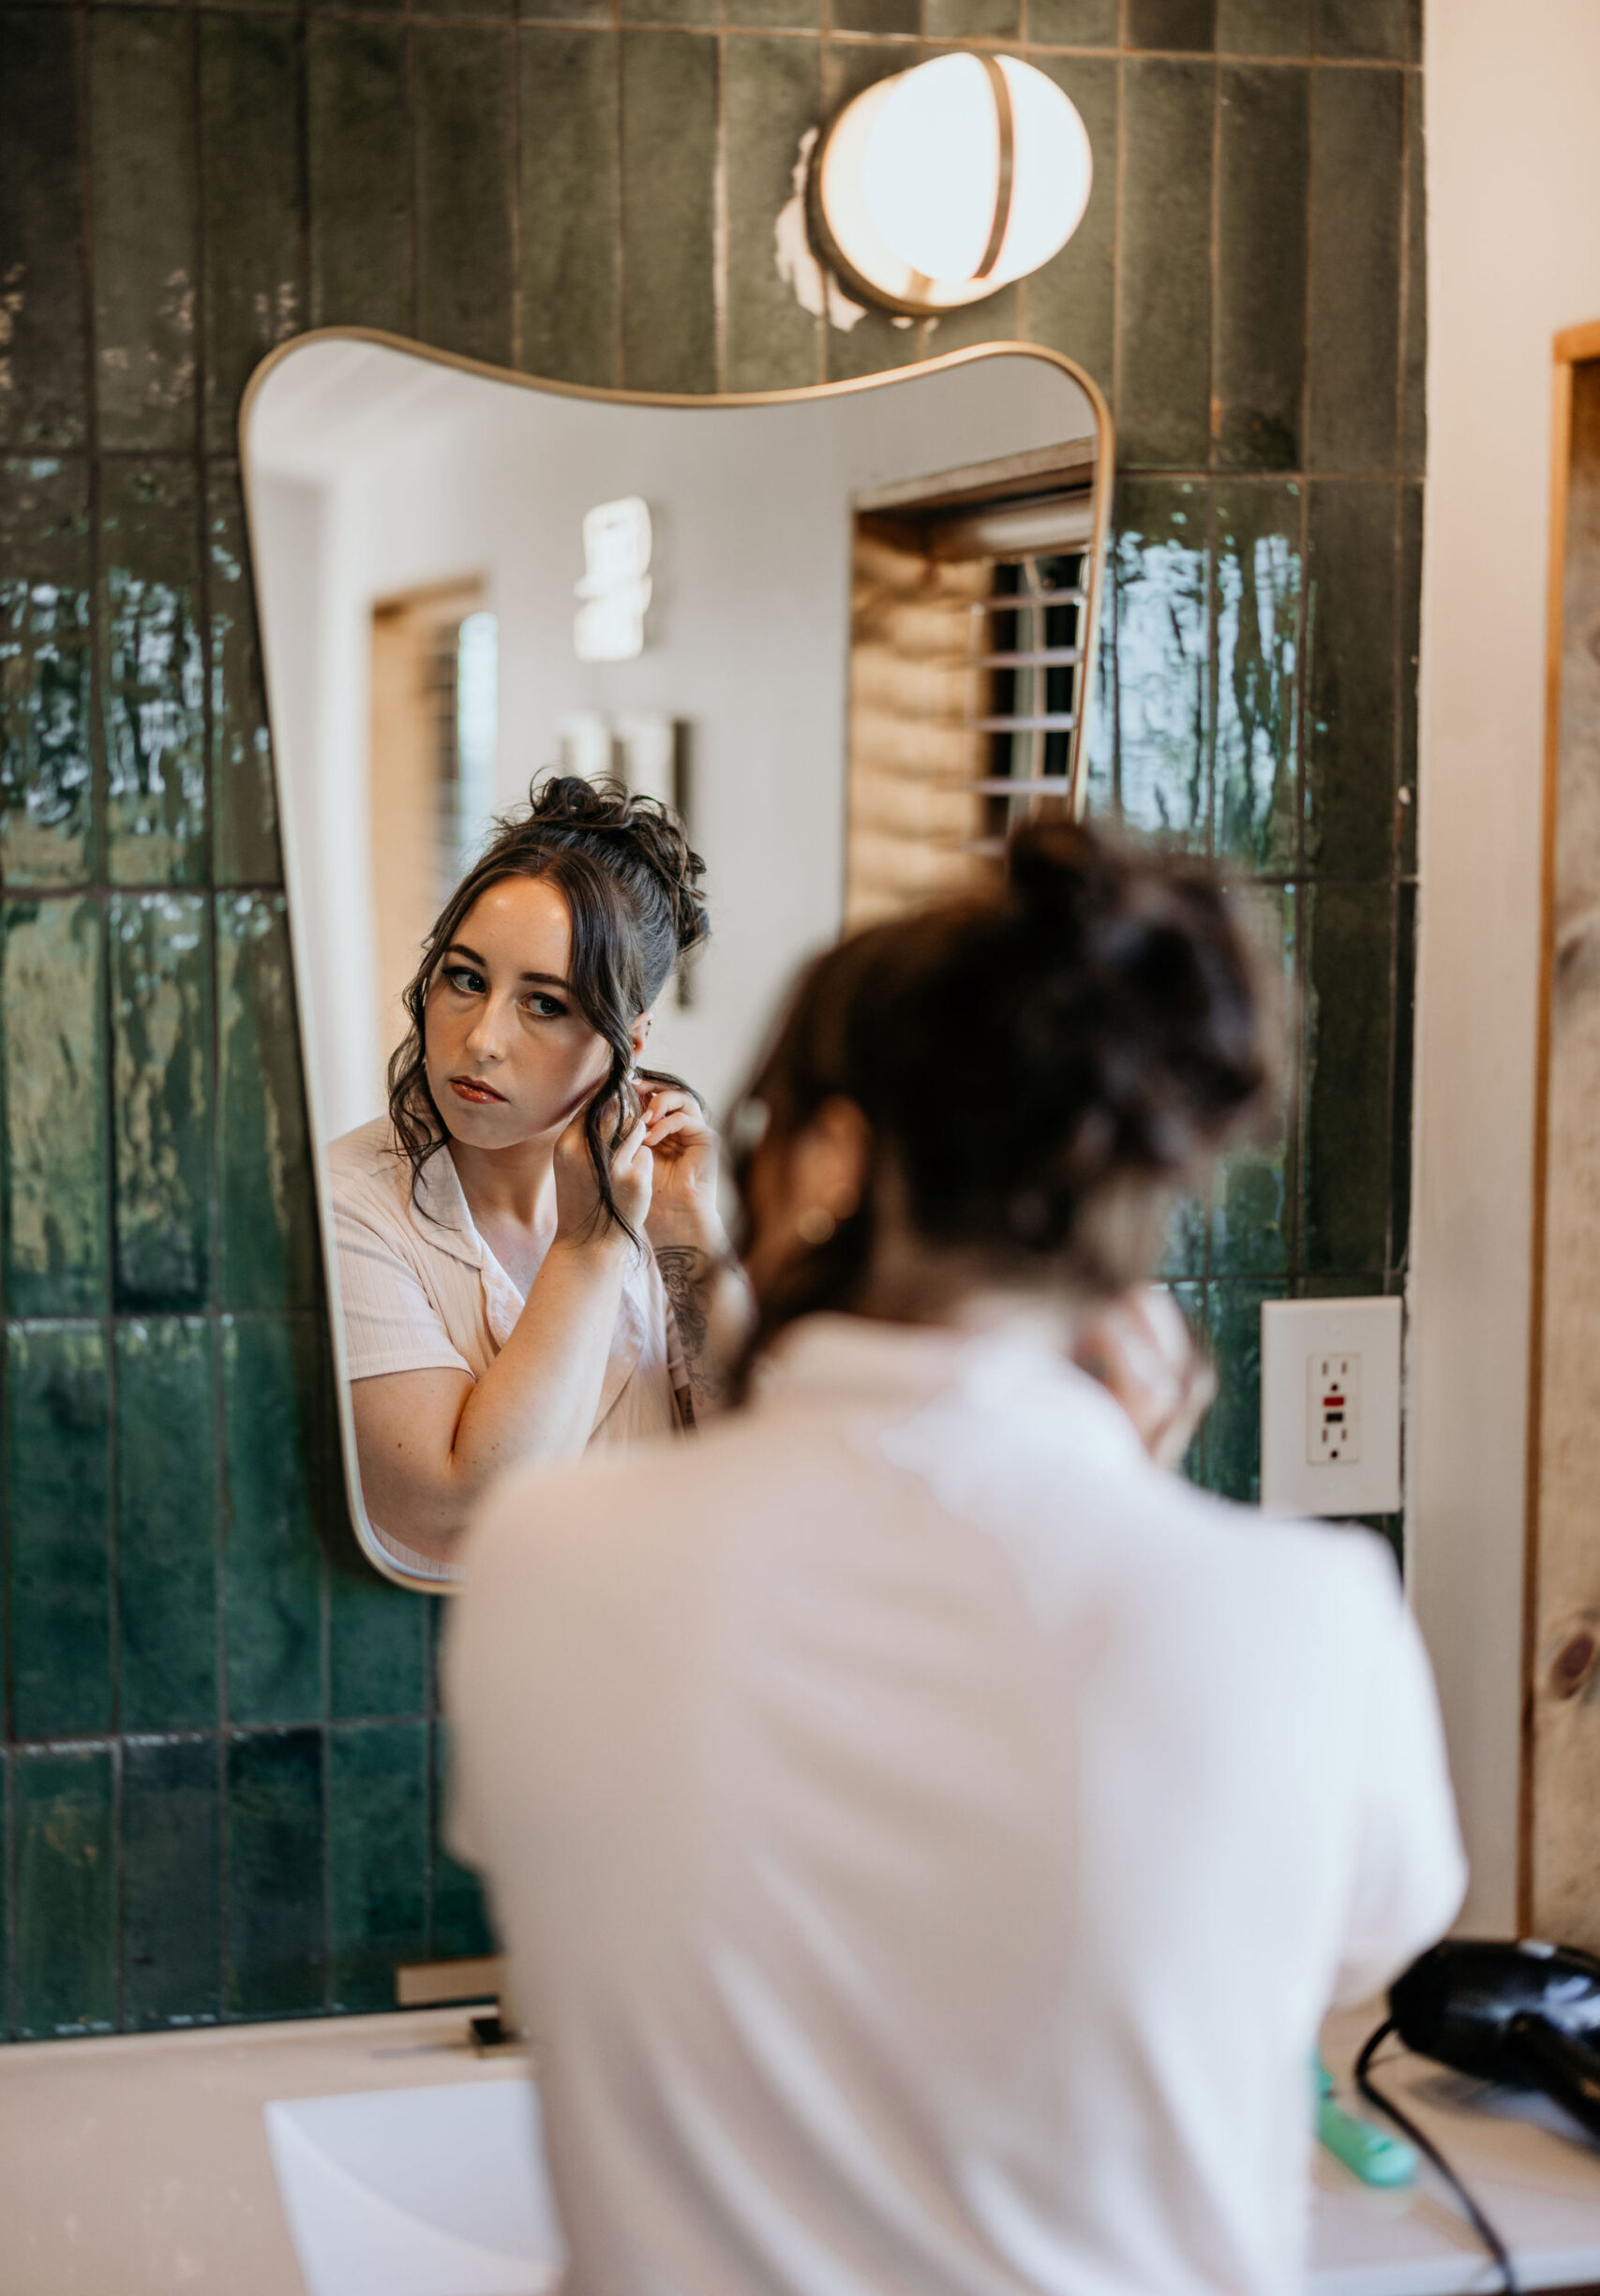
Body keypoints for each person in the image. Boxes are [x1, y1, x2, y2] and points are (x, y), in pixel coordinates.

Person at [445, 820, 1467, 2296]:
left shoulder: (553, 1564)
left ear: (829, 1157)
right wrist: (1124, 1490)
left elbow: (797, 1514)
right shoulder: (1303, 1621)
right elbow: (1312, 1952)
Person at [328, 775, 748, 1577]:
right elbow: (459, 1518)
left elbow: (760, 1470)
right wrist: (586, 1249)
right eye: (466, 978)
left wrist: (686, 1226)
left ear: (630, 1035)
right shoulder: (350, 1209)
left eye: (545, 1003)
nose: (483, 1040)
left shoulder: (653, 1204)